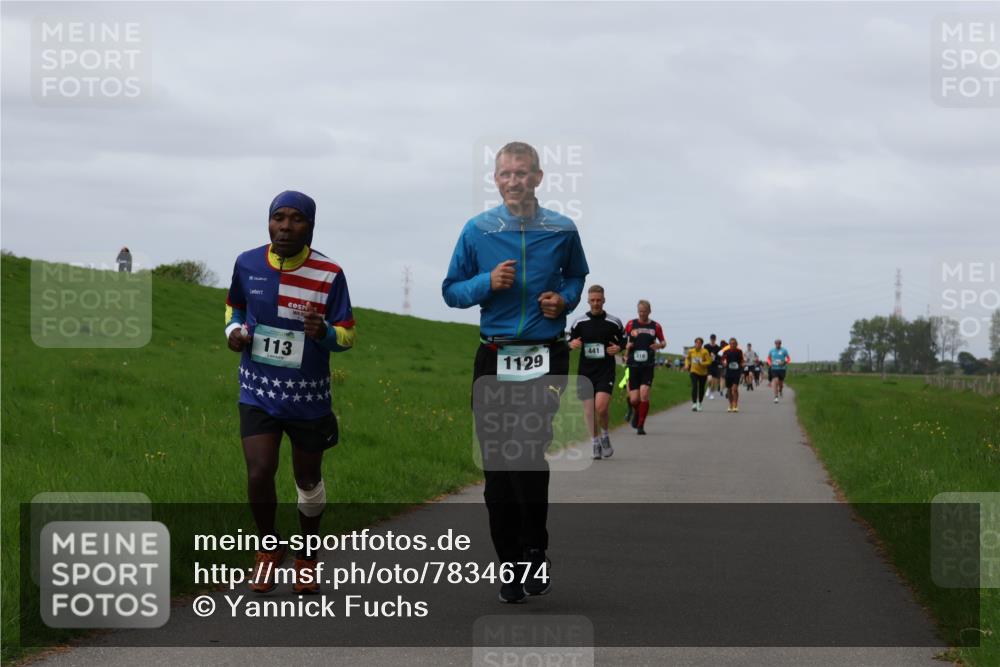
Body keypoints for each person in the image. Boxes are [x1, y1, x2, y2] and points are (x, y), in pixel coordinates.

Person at [442, 141, 589, 603]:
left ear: (539, 178)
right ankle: (508, 562)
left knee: (526, 455)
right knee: (497, 469)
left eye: (522, 173)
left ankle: (533, 550)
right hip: (494, 356)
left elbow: (576, 277)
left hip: (545, 355)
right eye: (505, 174)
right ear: (495, 179)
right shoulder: (478, 230)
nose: (513, 181)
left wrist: (562, 300)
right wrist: (487, 283)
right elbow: (451, 291)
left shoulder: (561, 229)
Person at [225, 190, 355, 594]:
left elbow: (348, 334)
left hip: (307, 397)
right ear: (268, 222)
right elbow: (235, 307)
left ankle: (307, 557)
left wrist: (325, 333)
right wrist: (233, 332)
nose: (285, 227)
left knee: (307, 479)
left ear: (310, 225)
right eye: (277, 218)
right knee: (260, 470)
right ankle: (268, 550)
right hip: (259, 389)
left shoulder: (329, 273)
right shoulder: (247, 263)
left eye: (295, 219)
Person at [568, 285, 624, 460]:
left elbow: (623, 340)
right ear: (588, 301)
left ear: (604, 300)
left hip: (605, 371)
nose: (596, 303)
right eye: (592, 300)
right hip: (585, 372)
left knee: (601, 408)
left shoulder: (614, 322)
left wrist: (619, 348)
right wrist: (571, 345)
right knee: (589, 412)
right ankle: (595, 442)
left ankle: (605, 435)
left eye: (599, 300)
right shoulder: (579, 322)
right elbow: (570, 341)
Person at [624, 300, 666, 435]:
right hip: (633, 365)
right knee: (634, 399)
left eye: (644, 311)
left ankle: (641, 425)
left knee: (644, 394)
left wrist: (658, 346)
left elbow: (664, 342)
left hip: (647, 365)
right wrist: (626, 350)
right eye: (640, 311)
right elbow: (625, 340)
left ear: (649, 311)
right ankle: (637, 411)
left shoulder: (656, 326)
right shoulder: (631, 324)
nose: (642, 313)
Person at [684, 337, 713, 411]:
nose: (697, 344)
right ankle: (694, 404)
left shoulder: (705, 351)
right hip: (693, 371)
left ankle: (699, 403)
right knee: (694, 386)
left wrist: (702, 363)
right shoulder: (691, 351)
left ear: (701, 344)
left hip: (703, 373)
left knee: (701, 388)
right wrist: (687, 365)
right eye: (696, 343)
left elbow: (709, 361)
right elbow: (687, 358)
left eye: (699, 343)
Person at [720, 337, 745, 412]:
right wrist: (724, 363)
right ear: (729, 344)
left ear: (736, 344)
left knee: (735, 389)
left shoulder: (739, 351)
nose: (732, 345)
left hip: (736, 372)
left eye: (734, 344)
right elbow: (722, 360)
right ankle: (730, 404)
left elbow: (742, 361)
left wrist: (743, 365)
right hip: (728, 372)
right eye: (731, 344)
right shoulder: (726, 351)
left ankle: (735, 405)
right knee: (729, 389)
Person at [767, 338, 792, 403]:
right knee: (776, 381)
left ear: (781, 344)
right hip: (774, 369)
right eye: (776, 343)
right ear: (775, 344)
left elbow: (789, 359)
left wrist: (784, 362)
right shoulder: (771, 350)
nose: (777, 344)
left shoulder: (784, 350)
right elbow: (768, 358)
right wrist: (770, 363)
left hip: (782, 369)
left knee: (780, 384)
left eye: (779, 343)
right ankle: (776, 397)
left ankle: (780, 390)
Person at [703, 334, 722, 399]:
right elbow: (703, 355)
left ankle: (711, 393)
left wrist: (716, 359)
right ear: (710, 339)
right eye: (711, 339)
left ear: (715, 339)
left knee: (714, 382)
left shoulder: (718, 348)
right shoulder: (706, 346)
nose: (712, 340)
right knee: (709, 380)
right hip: (708, 365)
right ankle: (708, 388)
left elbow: (720, 357)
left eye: (714, 339)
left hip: (715, 365)